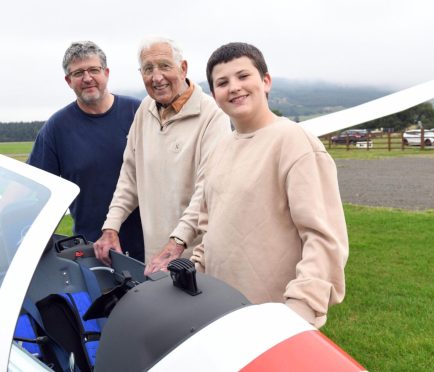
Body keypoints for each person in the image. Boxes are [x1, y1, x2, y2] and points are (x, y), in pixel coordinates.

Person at [191, 42, 349, 328]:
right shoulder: (219, 150)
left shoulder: (294, 141)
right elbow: (209, 229)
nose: (234, 87)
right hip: (222, 311)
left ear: (265, 81)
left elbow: (324, 238)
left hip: (277, 318)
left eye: (243, 76)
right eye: (223, 82)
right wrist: (194, 273)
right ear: (214, 95)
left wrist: (300, 308)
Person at [0, 41, 145, 261]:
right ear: (68, 81)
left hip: (150, 243)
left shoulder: (138, 113)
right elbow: (31, 178)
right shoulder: (57, 128)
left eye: (94, 70)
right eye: (78, 72)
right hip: (95, 249)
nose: (87, 78)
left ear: (106, 73)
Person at [93, 37, 231, 270]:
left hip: (198, 258)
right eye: (148, 69)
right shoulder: (145, 110)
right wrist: (111, 227)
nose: (157, 77)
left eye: (165, 66)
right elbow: (130, 176)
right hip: (156, 258)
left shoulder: (213, 116)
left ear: (183, 67)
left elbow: (207, 190)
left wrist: (177, 242)